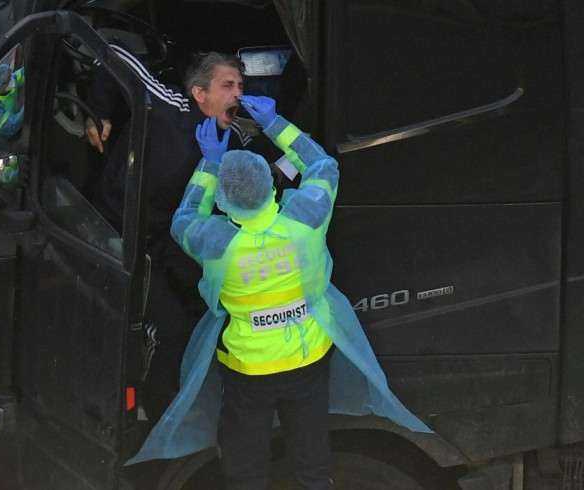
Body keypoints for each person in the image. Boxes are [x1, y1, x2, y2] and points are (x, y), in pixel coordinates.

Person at [127, 95, 431, 486]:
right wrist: (274, 123)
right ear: (271, 186)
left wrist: (211, 162)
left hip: (248, 373)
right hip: (307, 363)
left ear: (225, 201)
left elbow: (184, 217)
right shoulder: (305, 218)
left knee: (246, 466)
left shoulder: (215, 242)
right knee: (313, 463)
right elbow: (323, 165)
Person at [83, 48, 267, 423]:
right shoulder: (169, 108)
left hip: (170, 237)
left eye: (241, 86)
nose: (238, 94)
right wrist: (97, 112)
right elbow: (111, 54)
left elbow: (271, 165)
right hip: (116, 232)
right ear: (200, 94)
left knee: (214, 302)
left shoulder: (235, 137)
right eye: (227, 85)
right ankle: (159, 413)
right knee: (171, 329)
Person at [0, 63, 26, 153]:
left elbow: (25, 73)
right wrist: (28, 107)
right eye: (9, 78)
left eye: (10, 74)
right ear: (0, 86)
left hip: (10, 128)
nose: (12, 78)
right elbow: (11, 126)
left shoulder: (10, 83)